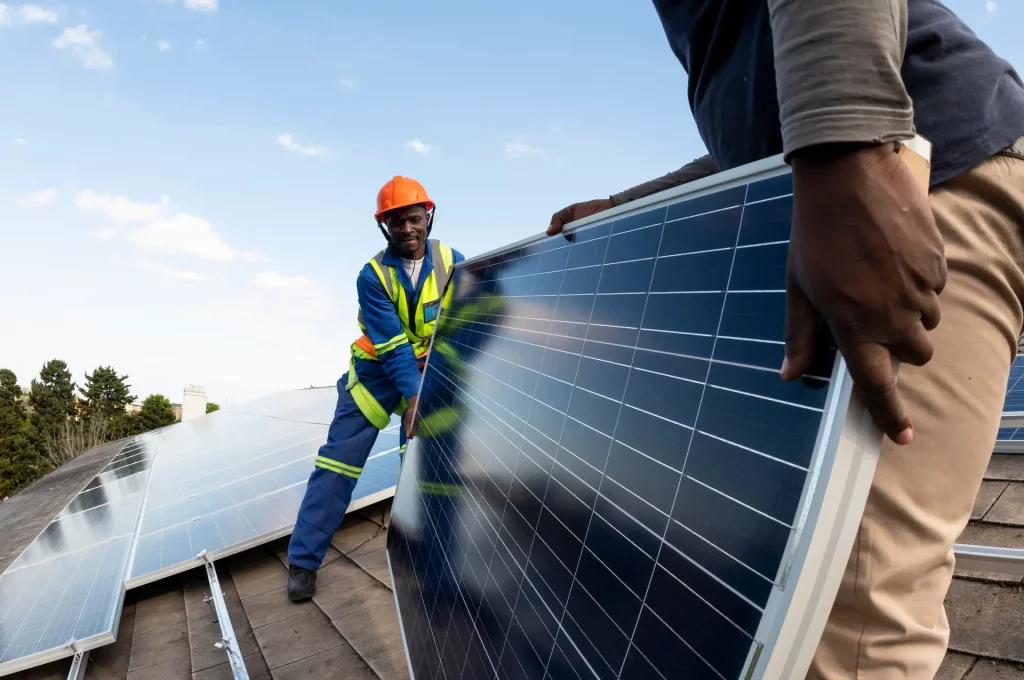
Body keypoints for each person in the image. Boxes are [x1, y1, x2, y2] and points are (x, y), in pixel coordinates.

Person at [547, 1, 1024, 677]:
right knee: (782, 595)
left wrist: (845, 144)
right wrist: (640, 203)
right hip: (869, 166)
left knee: (830, 622)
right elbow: (762, 119)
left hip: (902, 172)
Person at [287, 176, 465, 602]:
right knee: (337, 466)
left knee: (428, 467)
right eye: (396, 222)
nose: (407, 229)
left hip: (428, 372)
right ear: (384, 225)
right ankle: (303, 562)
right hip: (375, 374)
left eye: (414, 218)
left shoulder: (452, 262)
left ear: (428, 216)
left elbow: (467, 321)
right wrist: (414, 396)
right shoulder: (371, 276)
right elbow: (391, 345)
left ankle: (433, 563)